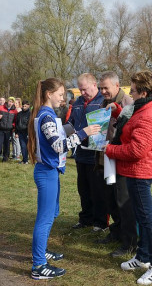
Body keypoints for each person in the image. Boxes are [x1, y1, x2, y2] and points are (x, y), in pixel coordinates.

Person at [28, 78, 100, 280]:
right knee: (45, 218)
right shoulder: (46, 116)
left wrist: (74, 130)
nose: (63, 99)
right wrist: (84, 133)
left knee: (51, 215)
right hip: (46, 172)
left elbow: (56, 138)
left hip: (50, 171)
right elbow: (59, 146)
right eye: (60, 95)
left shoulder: (47, 114)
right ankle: (39, 265)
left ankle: (41, 252)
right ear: (48, 94)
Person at [104, 70, 152, 285]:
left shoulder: (149, 115)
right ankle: (143, 257)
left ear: (142, 92)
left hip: (140, 171)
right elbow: (131, 123)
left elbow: (136, 151)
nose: (129, 92)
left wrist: (110, 150)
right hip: (134, 170)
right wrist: (118, 112)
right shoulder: (142, 107)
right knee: (142, 217)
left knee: (147, 220)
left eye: (132, 89)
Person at [95, 71, 137, 258]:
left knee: (123, 202)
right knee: (110, 200)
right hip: (106, 158)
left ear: (117, 86)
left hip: (121, 159)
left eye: (106, 87)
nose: (103, 91)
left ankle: (128, 242)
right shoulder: (104, 103)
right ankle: (116, 232)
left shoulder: (127, 103)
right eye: (101, 88)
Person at [67, 73, 107, 231]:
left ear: (94, 84)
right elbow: (71, 122)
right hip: (80, 153)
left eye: (84, 89)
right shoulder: (77, 102)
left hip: (96, 153)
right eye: (80, 90)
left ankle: (100, 222)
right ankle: (85, 219)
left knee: (97, 189)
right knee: (83, 189)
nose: (82, 93)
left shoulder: (102, 101)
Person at [0, 97, 17, 163]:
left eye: (12, 102)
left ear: (13, 103)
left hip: (9, 130)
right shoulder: (1, 107)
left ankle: (5, 159)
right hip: (0, 129)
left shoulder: (14, 111)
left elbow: (15, 120)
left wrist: (13, 126)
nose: (10, 103)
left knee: (7, 145)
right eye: (9, 101)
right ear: (7, 101)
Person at [15, 100, 31, 164]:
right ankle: (25, 160)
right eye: (23, 106)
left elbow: (31, 124)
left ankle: (29, 159)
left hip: (27, 132)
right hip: (20, 132)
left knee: (28, 146)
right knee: (23, 146)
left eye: (25, 106)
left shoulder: (30, 113)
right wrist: (16, 132)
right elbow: (17, 123)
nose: (24, 107)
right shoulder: (19, 114)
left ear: (28, 106)